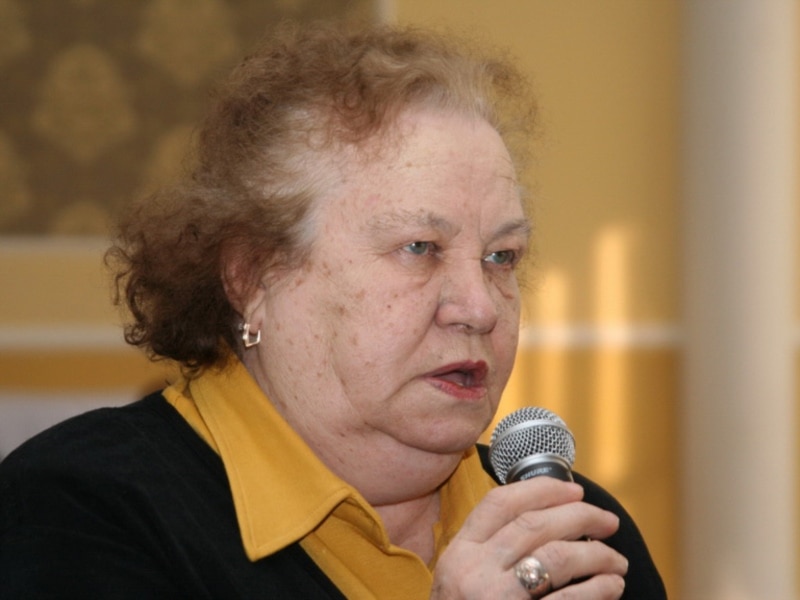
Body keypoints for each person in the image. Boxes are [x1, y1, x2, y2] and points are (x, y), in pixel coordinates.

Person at [0, 21, 666, 599]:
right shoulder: (76, 509)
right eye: (420, 248)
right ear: (252, 276)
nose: (479, 307)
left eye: (502, 256)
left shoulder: (575, 535)